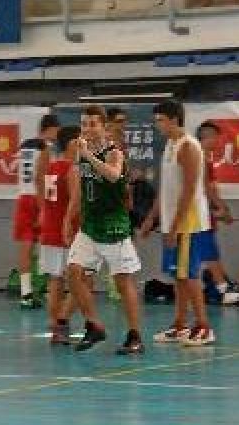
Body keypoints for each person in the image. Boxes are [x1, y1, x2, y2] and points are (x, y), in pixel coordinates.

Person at [65, 105, 144, 355]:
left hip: (113, 227)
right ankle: (94, 324)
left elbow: (112, 175)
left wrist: (88, 156)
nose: (87, 128)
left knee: (122, 282)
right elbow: (80, 187)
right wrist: (69, 216)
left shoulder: (114, 152)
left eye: (92, 124)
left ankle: (135, 335)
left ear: (103, 127)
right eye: (84, 124)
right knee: (74, 273)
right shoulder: (82, 153)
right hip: (89, 226)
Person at [149, 101, 216, 346]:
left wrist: (175, 226)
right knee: (178, 276)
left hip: (188, 223)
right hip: (171, 222)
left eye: (161, 119)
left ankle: (204, 326)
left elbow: (189, 191)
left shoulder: (188, 147)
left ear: (175, 119)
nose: (158, 124)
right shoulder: (169, 145)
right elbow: (166, 189)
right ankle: (179, 325)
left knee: (189, 274)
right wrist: (151, 218)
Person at [15, 114, 61, 310]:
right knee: (47, 243)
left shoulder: (24, 146)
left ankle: (26, 293)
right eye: (56, 131)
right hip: (37, 198)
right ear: (49, 129)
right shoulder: (47, 148)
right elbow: (41, 178)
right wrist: (45, 207)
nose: (58, 135)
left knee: (26, 247)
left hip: (22, 197)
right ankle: (48, 287)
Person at [40, 125, 80, 344]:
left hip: (49, 230)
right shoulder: (71, 169)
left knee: (55, 280)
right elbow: (76, 202)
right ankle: (61, 323)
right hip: (66, 232)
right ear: (72, 143)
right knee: (81, 281)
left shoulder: (52, 167)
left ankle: (55, 323)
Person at [196, 121, 234, 299]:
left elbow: (209, 187)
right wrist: (221, 207)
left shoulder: (203, 157)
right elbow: (205, 188)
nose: (219, 142)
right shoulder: (200, 156)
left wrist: (218, 210)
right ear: (208, 137)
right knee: (209, 251)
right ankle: (223, 289)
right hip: (198, 212)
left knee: (206, 251)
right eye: (217, 138)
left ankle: (221, 287)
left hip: (203, 211)